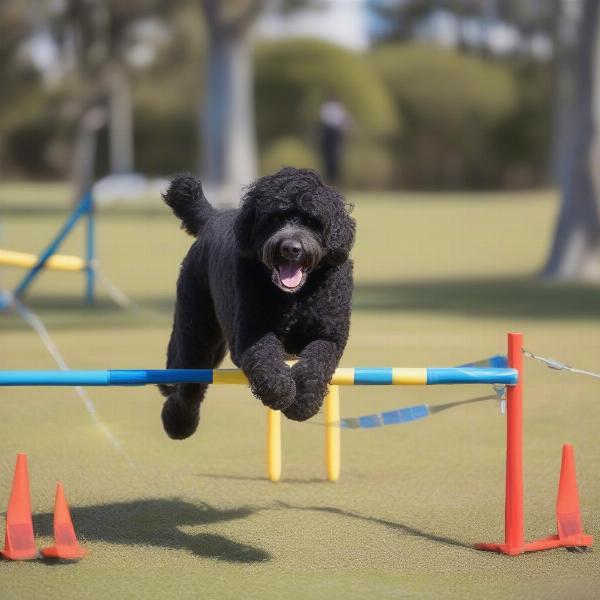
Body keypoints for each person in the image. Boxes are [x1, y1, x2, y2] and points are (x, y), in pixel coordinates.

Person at [318, 97, 350, 185]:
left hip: (334, 134)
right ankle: (329, 180)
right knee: (328, 159)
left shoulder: (335, 107)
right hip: (329, 134)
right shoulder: (328, 107)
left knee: (335, 159)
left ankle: (335, 181)